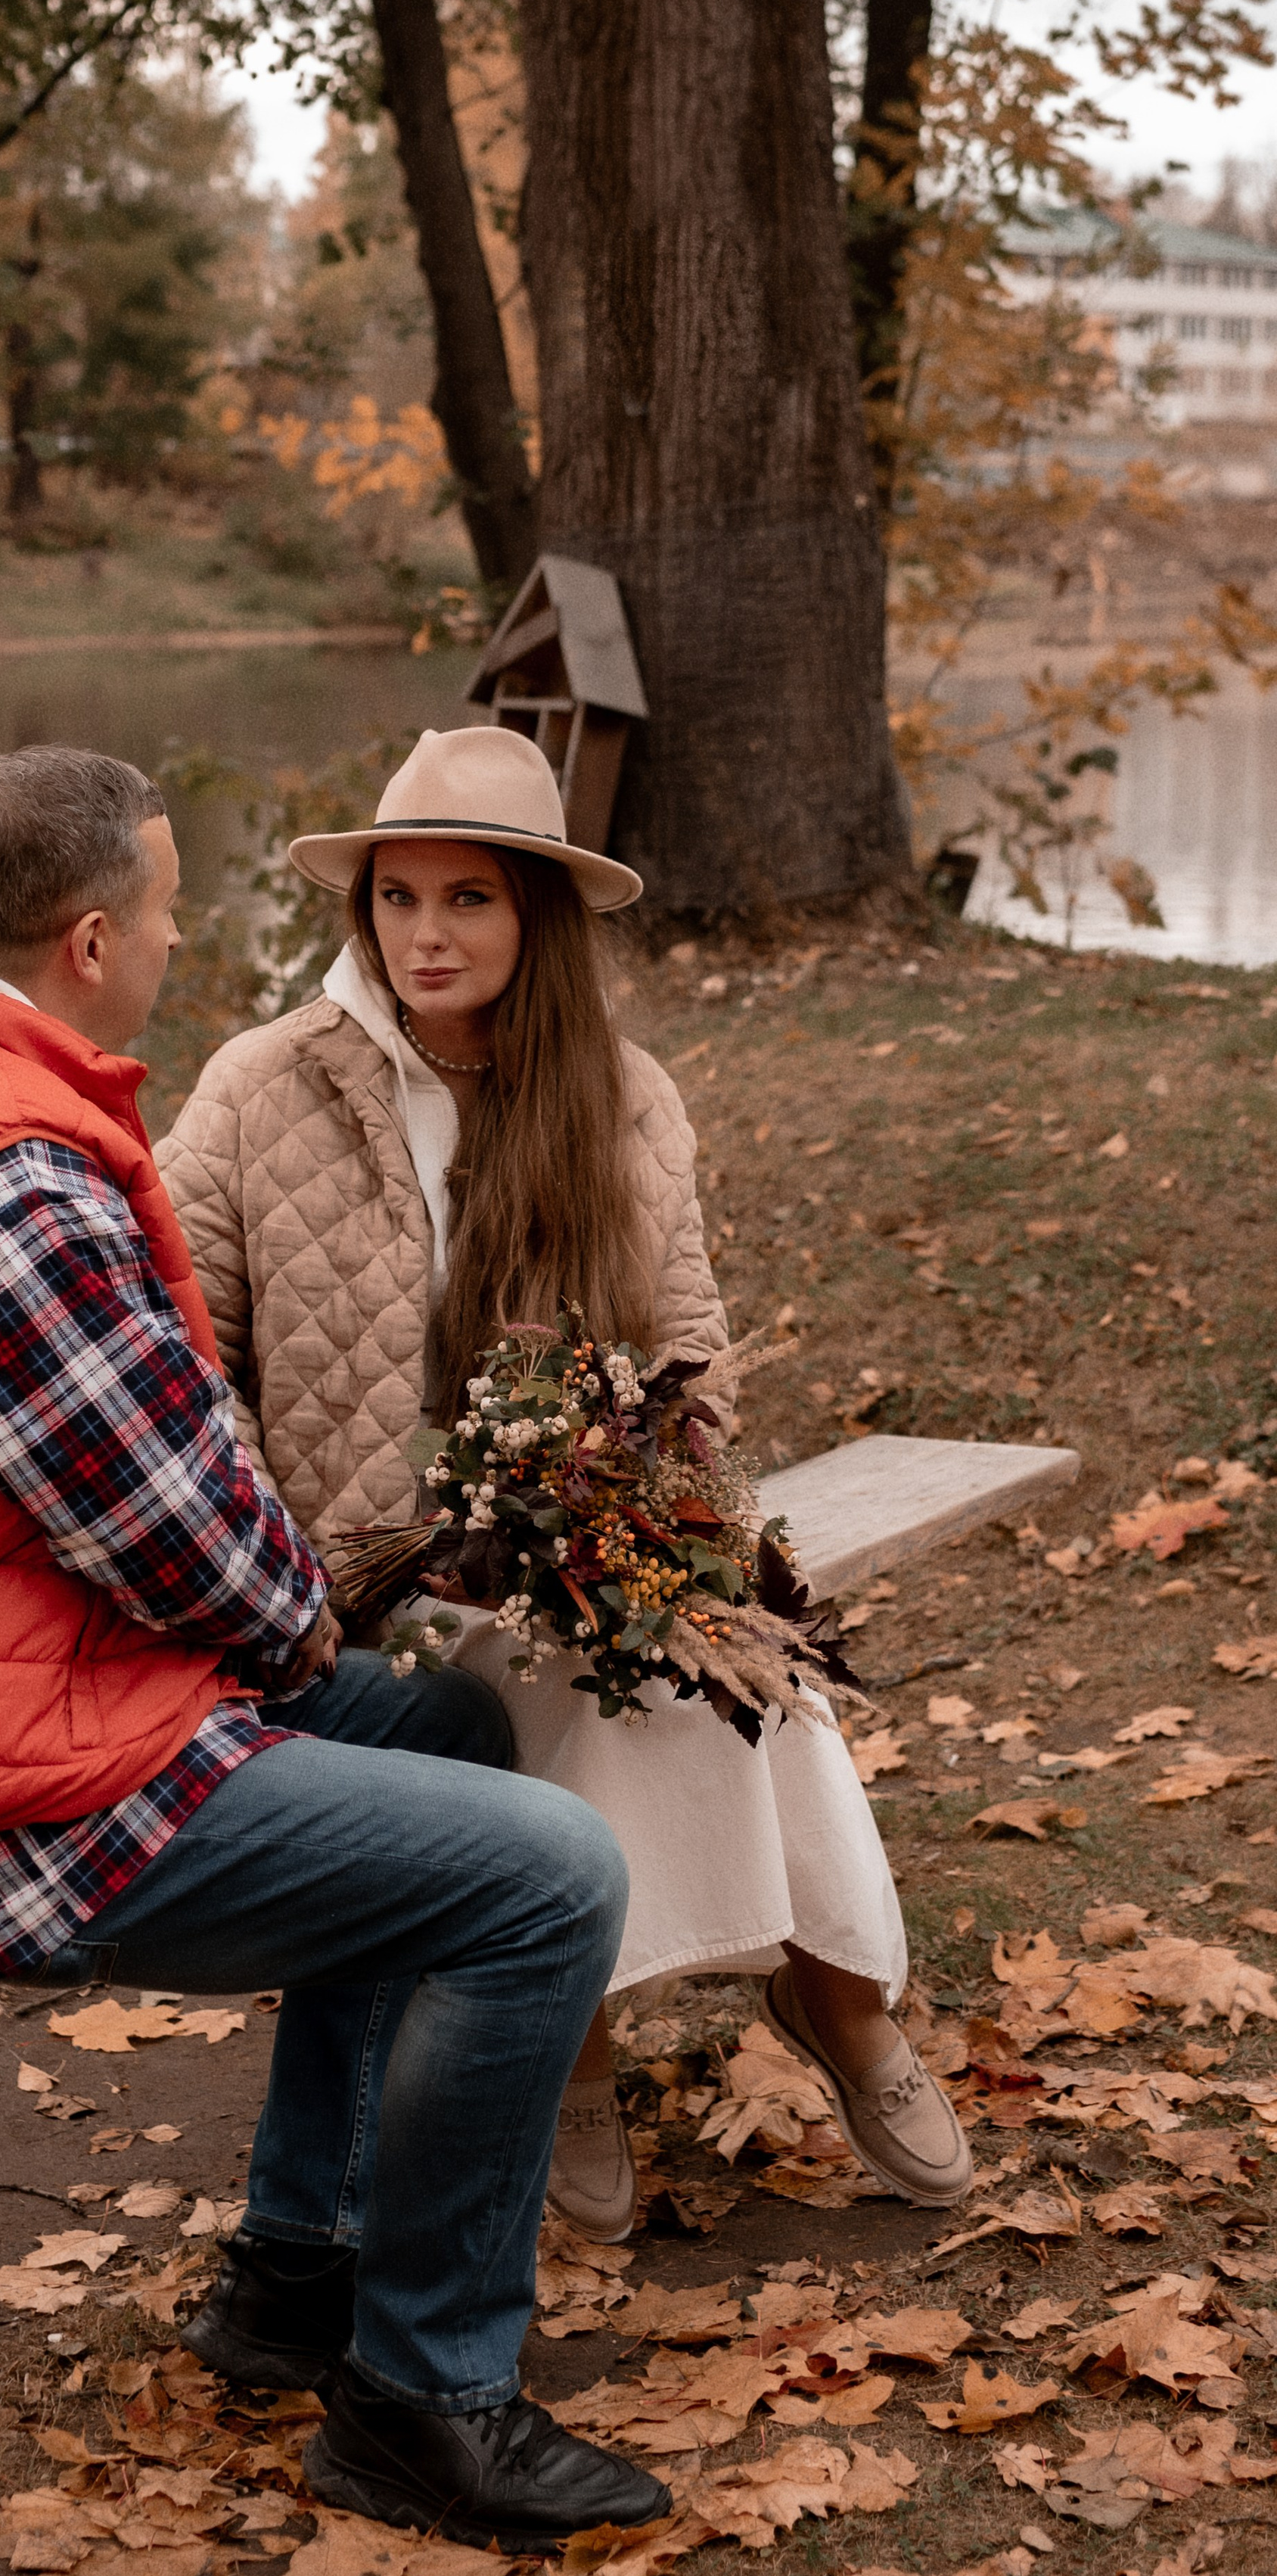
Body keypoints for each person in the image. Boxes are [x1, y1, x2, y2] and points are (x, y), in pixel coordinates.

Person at [0, 742, 673, 2550]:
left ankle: (297, 2273)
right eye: (169, 909)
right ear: (87, 938)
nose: (180, 939)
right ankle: (424, 2405)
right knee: (543, 1878)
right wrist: (302, 1621)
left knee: (443, 1735)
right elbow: (190, 1545)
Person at [157, 724, 972, 2238]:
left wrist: (646, 1511)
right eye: (398, 897)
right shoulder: (263, 1086)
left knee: (727, 1657)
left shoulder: (622, 1096)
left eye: (466, 897)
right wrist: (282, 1568)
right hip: (355, 1577)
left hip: (576, 1522)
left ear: (534, 913)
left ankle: (841, 2000)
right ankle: (574, 2045)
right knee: (534, 1685)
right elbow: (182, 1361)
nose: (425, 933)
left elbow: (689, 1350)